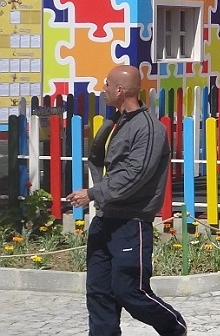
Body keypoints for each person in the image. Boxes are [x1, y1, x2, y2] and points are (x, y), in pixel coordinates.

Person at [67, 65, 187, 336]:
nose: (103, 89)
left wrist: (93, 193)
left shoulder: (149, 128)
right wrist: (99, 193)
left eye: (107, 84)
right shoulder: (116, 122)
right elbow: (101, 161)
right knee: (98, 293)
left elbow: (135, 175)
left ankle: (174, 327)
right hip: (105, 219)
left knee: (130, 291)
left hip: (131, 223)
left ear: (120, 90)